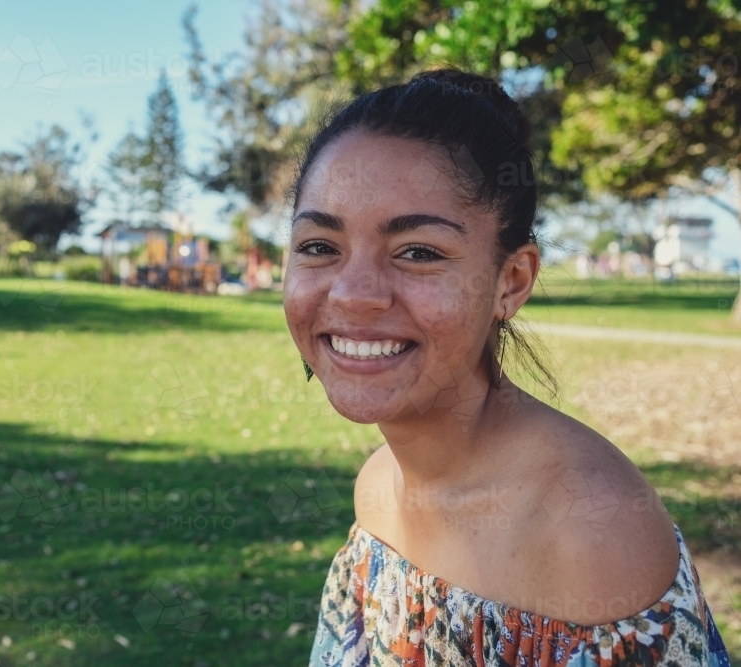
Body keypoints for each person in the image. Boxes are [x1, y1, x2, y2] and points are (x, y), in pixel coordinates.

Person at [285, 70, 730, 666]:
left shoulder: (590, 532)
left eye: (418, 252)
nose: (354, 294)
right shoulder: (379, 489)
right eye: (319, 246)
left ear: (511, 280)